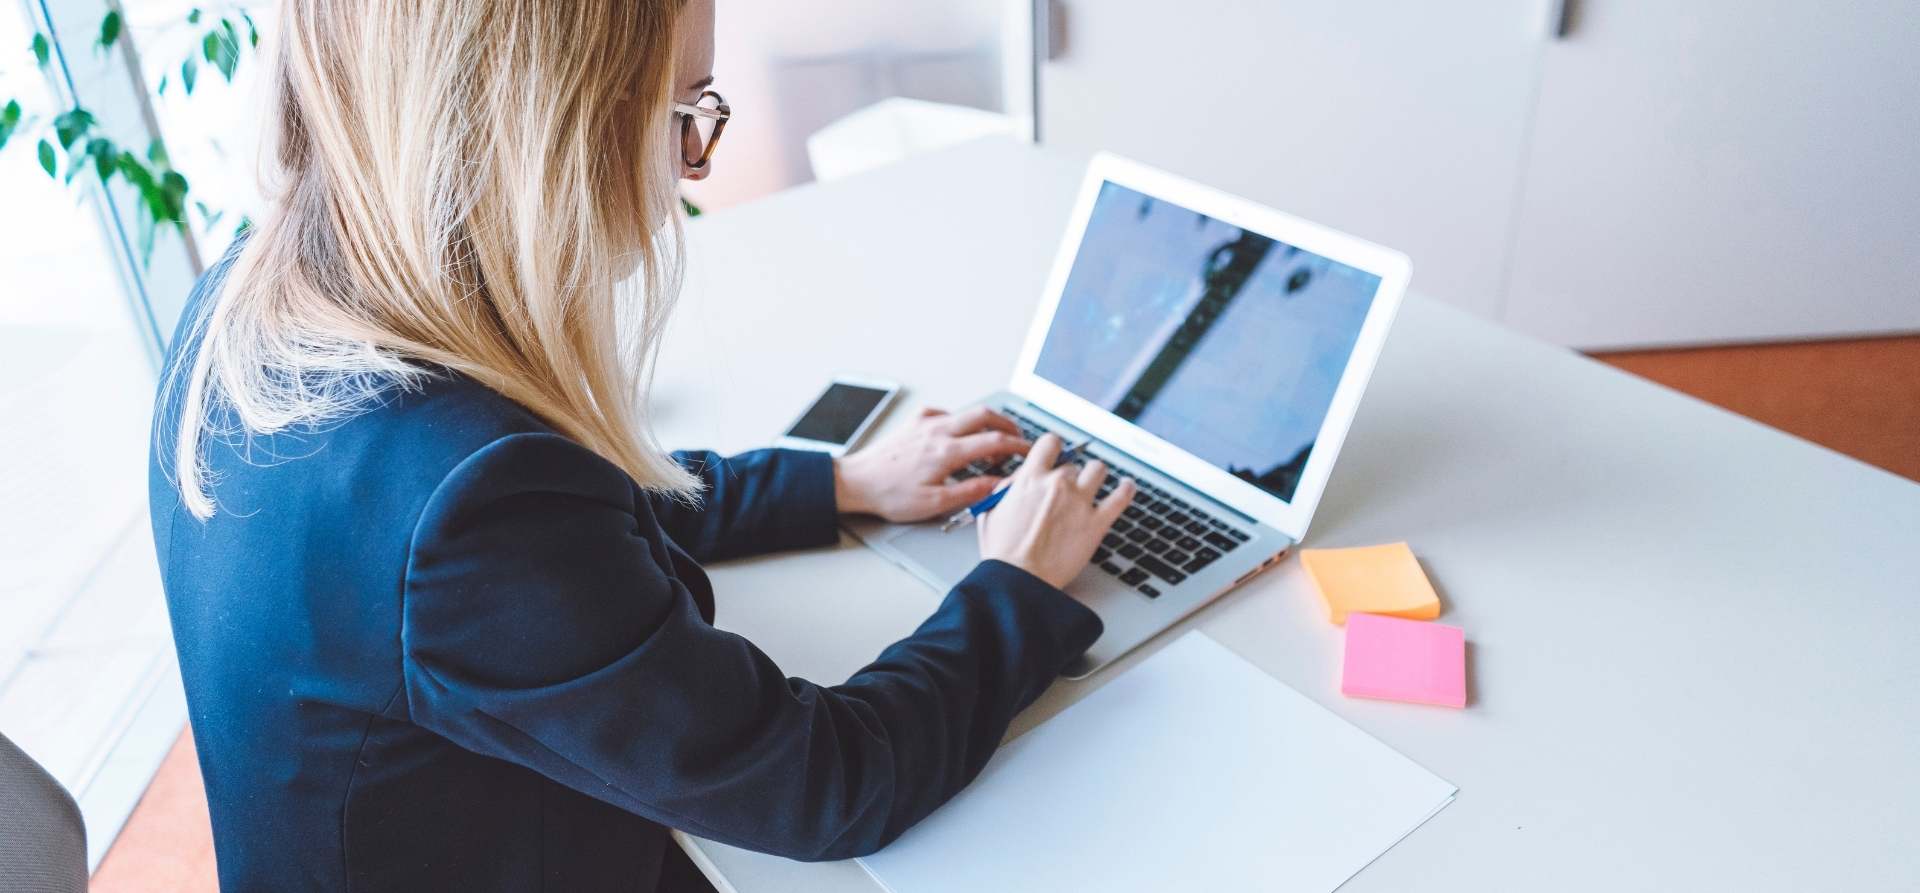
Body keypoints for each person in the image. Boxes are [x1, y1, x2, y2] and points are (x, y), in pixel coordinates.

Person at [147, 1, 1134, 890]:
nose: (689, 176)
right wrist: (1018, 587)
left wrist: (838, 481)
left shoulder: (257, 303)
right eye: (683, 114)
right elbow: (829, 785)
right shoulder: (473, 503)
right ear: (543, 130)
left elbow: (565, 537)